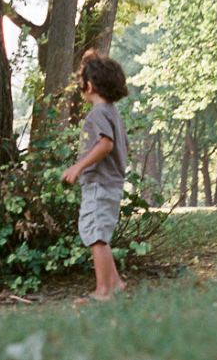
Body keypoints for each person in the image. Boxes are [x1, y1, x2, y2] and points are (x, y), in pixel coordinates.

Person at [61, 49, 130, 304]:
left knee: (96, 234)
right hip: (111, 183)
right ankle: (116, 284)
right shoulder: (113, 113)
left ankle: (103, 291)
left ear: (89, 85)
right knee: (99, 232)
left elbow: (106, 144)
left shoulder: (98, 114)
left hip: (99, 184)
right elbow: (124, 146)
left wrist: (77, 167)